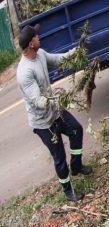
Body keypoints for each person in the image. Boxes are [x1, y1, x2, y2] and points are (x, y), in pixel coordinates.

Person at [16, 24, 91, 202]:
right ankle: (68, 191)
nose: (39, 37)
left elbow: (58, 59)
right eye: (36, 36)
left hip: (55, 110)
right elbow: (39, 102)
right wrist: (63, 99)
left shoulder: (40, 54)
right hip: (43, 122)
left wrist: (75, 51)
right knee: (59, 157)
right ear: (31, 44)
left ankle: (77, 166)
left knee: (76, 129)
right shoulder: (24, 73)